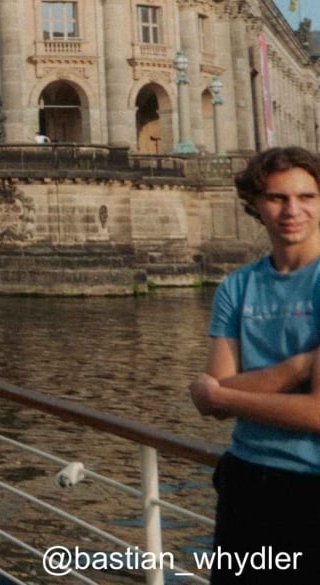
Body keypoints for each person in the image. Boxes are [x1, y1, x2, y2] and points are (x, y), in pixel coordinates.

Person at [189, 148, 320, 581]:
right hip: (244, 480)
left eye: (307, 197)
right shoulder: (236, 286)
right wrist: (298, 369)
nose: (292, 211)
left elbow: (318, 414)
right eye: (277, 198)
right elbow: (216, 402)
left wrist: (226, 393)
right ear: (254, 204)